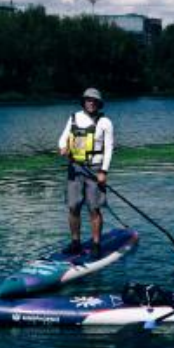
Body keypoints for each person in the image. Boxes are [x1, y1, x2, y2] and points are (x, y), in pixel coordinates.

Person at [58, 87, 115, 259]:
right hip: (75, 169)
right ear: (83, 101)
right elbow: (63, 138)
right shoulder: (73, 118)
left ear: (98, 103)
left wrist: (103, 171)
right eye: (88, 99)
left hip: (95, 170)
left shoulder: (105, 122)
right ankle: (76, 242)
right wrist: (63, 147)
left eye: (94, 100)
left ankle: (96, 244)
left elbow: (109, 148)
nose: (91, 102)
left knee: (94, 208)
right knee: (73, 207)